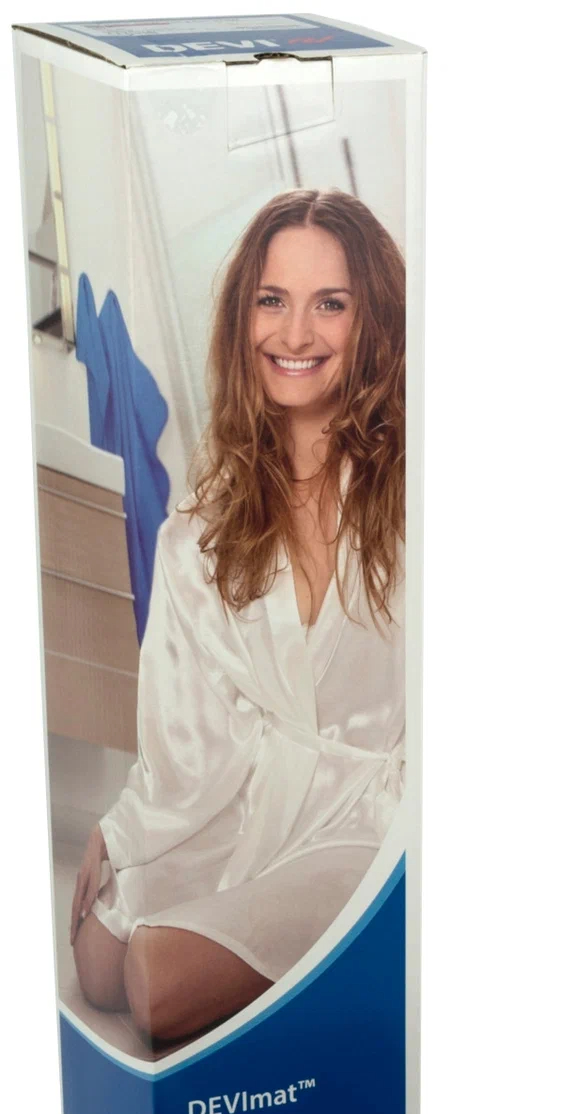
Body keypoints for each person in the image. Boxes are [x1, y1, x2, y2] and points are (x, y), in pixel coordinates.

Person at [70, 188, 406, 1050]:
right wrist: (123, 827)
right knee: (100, 958)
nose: (293, 334)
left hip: (379, 815)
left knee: (154, 982)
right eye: (272, 300)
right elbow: (184, 723)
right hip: (255, 794)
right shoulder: (204, 527)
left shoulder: (419, 491)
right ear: (241, 317)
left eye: (330, 304)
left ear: (373, 320)